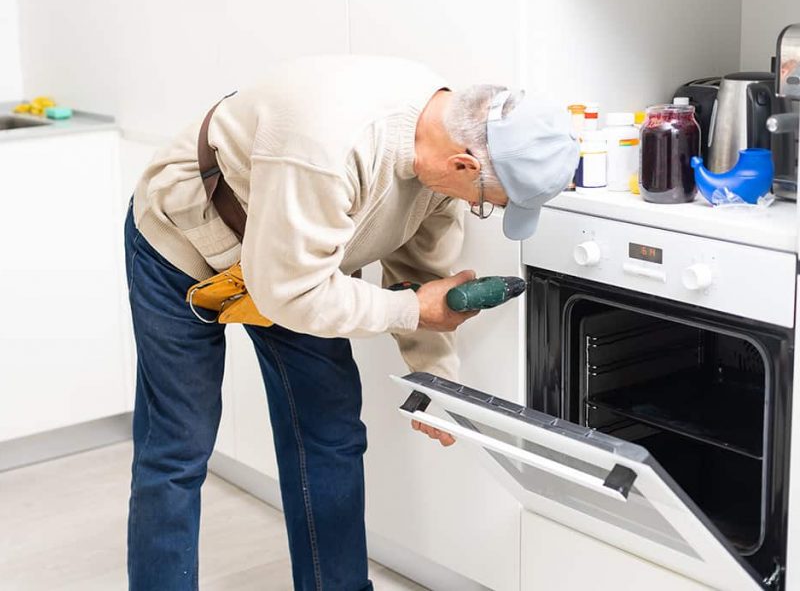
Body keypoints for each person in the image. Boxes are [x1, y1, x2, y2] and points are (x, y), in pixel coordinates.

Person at [125, 55, 578, 590]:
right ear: (464, 166)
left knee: (331, 434)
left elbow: (420, 275)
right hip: (183, 245)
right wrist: (413, 309)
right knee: (177, 447)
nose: (478, 209)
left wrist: (436, 381)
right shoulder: (329, 146)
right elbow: (293, 294)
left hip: (300, 264)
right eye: (486, 203)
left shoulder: (445, 146)